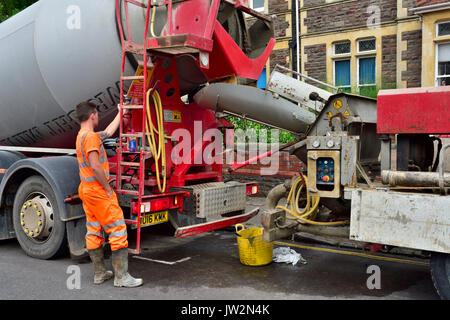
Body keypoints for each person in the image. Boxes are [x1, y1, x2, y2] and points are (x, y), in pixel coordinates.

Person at [75, 101, 143, 288]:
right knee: (118, 229)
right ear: (92, 115)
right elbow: (96, 166)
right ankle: (121, 277)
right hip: (98, 191)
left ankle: (99, 273)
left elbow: (108, 133)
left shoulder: (83, 135)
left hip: (87, 191)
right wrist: (107, 187)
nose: (98, 116)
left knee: (94, 230)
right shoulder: (90, 138)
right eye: (97, 114)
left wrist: (121, 113)